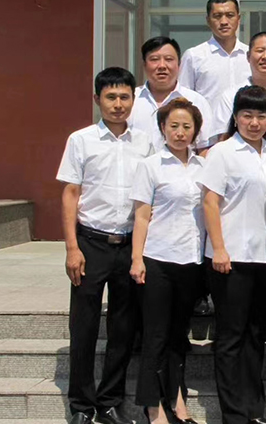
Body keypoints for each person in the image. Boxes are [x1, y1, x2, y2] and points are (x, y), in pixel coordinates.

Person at [56, 67, 154, 424]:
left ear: (133, 100)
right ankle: (81, 405)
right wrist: (72, 248)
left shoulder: (146, 141)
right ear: (97, 99)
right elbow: (70, 194)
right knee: (83, 327)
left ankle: (110, 400)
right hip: (91, 243)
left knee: (123, 328)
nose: (118, 104)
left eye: (125, 96)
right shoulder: (80, 140)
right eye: (111, 97)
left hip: (129, 245)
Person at [197, 86, 266, 424]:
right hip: (229, 257)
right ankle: (233, 414)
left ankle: (254, 410)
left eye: (261, 115)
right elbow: (210, 203)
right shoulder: (222, 152)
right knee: (231, 336)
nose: (254, 122)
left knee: (255, 334)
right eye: (247, 115)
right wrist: (218, 248)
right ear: (235, 117)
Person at [129, 98, 206, 424]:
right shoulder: (151, 166)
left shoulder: (204, 167)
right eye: (173, 126)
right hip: (158, 259)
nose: (180, 132)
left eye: (187, 126)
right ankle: (152, 406)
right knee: (156, 335)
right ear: (162, 128)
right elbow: (141, 216)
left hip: (192, 260)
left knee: (178, 335)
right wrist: (137, 258)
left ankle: (177, 399)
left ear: (196, 131)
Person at [128, 36, 214, 151]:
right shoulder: (130, 100)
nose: (162, 66)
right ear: (144, 65)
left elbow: (204, 148)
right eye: (154, 59)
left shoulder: (196, 101)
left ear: (179, 64)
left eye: (168, 59)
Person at [179, 0, 251, 109]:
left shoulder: (251, 55)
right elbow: (183, 98)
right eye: (217, 16)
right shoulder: (194, 56)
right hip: (207, 121)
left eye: (230, 15)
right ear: (208, 20)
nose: (224, 22)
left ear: (238, 19)